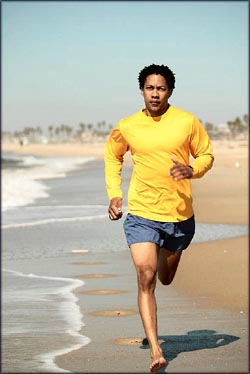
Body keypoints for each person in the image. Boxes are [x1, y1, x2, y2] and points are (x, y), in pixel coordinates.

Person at [104, 63, 214, 372]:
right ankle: (155, 349)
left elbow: (206, 154)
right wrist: (115, 193)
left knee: (165, 276)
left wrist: (193, 169)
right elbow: (113, 155)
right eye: (150, 88)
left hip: (178, 216)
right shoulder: (127, 126)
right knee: (147, 275)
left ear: (170, 91)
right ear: (141, 90)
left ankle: (173, 251)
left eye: (161, 88)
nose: (155, 93)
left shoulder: (186, 122)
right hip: (141, 213)